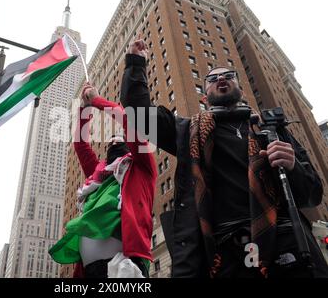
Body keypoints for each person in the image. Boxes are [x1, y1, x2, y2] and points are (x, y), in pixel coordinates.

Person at [120, 39, 328, 278]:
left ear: (239, 87)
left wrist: (293, 168)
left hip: (285, 243)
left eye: (228, 75)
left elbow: (313, 195)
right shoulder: (189, 132)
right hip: (226, 254)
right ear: (205, 96)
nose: (221, 79)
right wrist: (135, 64)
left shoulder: (272, 130)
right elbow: (139, 113)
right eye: (211, 78)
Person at [49, 83, 157, 278]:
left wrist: (97, 100)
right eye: (111, 141)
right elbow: (80, 145)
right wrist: (85, 108)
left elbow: (127, 121)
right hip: (88, 270)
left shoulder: (142, 167)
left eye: (120, 139)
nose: (114, 142)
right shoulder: (98, 173)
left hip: (124, 268)